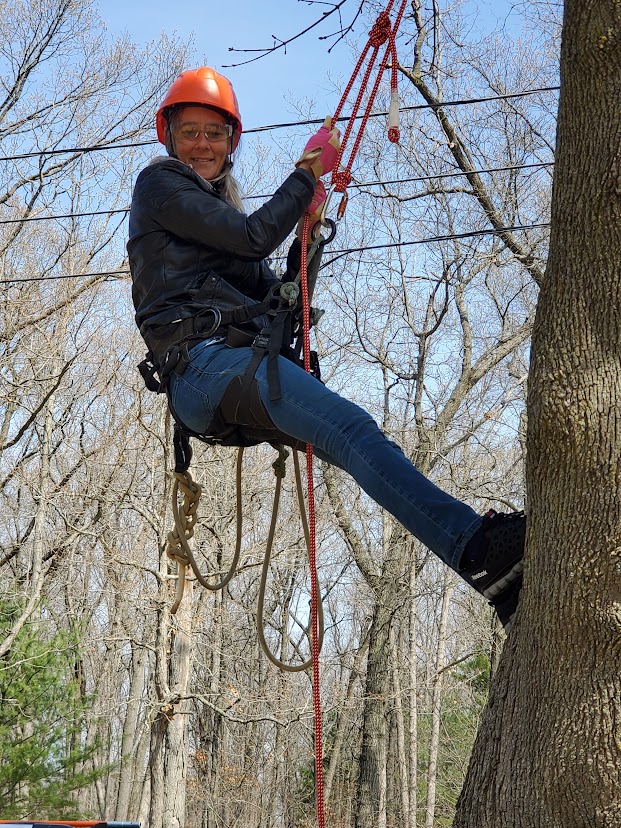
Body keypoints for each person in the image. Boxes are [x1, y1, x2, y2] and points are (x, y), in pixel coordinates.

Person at [128, 67, 526, 630]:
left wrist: (306, 240)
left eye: (215, 134)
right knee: (352, 430)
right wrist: (306, 175)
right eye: (191, 131)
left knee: (354, 440)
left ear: (230, 144)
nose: (202, 145)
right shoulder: (160, 185)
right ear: (168, 136)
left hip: (234, 368)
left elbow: (277, 294)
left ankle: (491, 577)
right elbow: (254, 236)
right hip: (202, 368)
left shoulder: (219, 221)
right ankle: (481, 548)